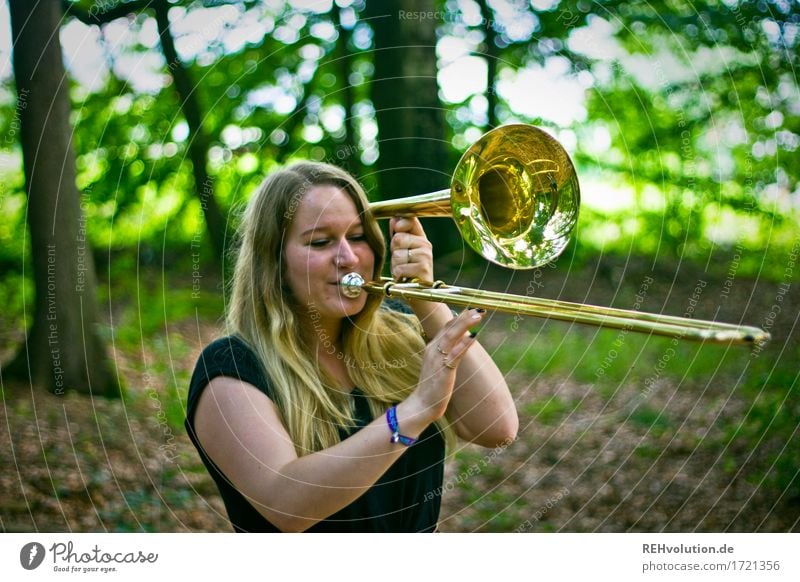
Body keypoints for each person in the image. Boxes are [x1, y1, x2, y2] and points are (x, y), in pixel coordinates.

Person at [185, 161, 518, 532]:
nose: (347, 257)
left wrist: (425, 298)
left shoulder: (399, 333)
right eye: (321, 242)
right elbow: (286, 504)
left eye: (358, 237)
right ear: (274, 261)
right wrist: (416, 409)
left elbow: (497, 428)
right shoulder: (230, 367)